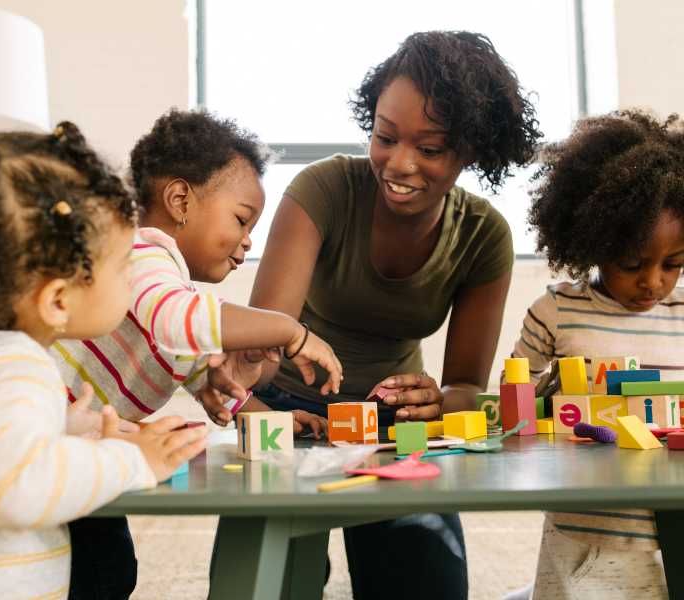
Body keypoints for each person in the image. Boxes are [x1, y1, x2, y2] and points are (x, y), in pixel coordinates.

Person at [231, 30, 542, 598]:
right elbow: (259, 349)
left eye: (430, 149)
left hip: (396, 426)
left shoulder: (482, 235)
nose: (399, 164)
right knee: (273, 580)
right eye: (385, 136)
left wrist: (439, 401)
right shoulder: (323, 190)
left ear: (471, 150)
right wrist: (244, 403)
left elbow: (468, 386)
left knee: (425, 582)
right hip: (287, 413)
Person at [0, 116, 207, 599]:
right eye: (123, 269)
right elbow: (17, 491)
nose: (129, 285)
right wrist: (132, 460)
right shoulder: (19, 365)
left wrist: (60, 428)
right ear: (57, 300)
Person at [51, 108, 342, 598]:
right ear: (181, 199)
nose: (248, 241)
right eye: (242, 219)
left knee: (108, 568)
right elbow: (177, 319)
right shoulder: (142, 252)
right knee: (92, 569)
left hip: (83, 441)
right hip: (50, 430)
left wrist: (262, 417)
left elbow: (202, 379)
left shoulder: (173, 288)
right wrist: (289, 330)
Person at [503, 110, 684, 600]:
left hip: (673, 523)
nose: (653, 282)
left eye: (673, 264)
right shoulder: (556, 311)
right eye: (632, 264)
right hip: (585, 530)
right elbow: (512, 408)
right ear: (594, 242)